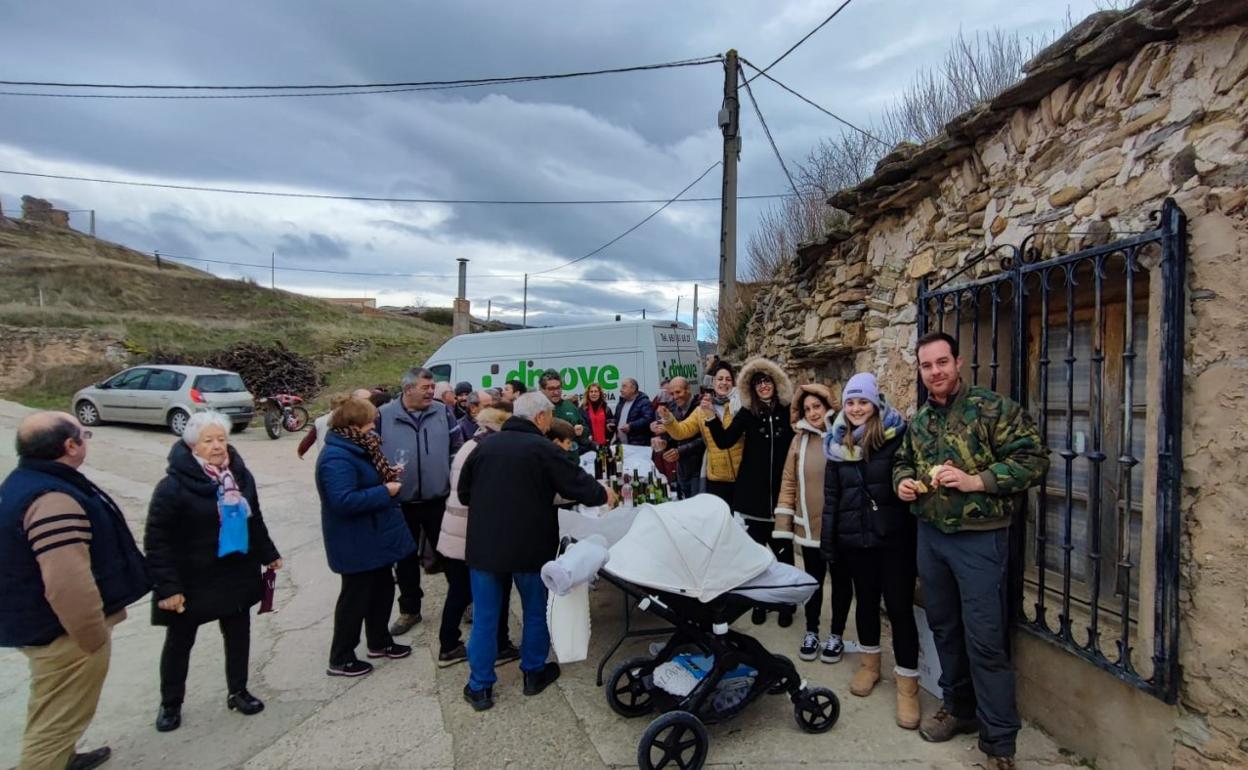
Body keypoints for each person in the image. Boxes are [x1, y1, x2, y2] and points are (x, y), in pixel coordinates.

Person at [894, 332, 1049, 769]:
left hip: (980, 537)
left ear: (958, 362)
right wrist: (902, 483)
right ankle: (959, 710)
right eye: (927, 366)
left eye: (942, 362)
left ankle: (1000, 741)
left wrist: (975, 481)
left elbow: (1034, 460)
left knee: (985, 639)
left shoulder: (993, 409)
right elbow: (903, 461)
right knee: (944, 629)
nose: (935, 372)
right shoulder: (921, 420)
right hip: (932, 536)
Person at [1, 412, 149, 770]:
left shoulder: (25, 482)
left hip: (40, 624)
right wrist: (90, 635)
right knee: (55, 723)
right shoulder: (53, 499)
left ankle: (64, 757)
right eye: (84, 434)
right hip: (64, 633)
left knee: (52, 702)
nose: (85, 440)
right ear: (70, 445)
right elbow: (67, 582)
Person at [457, 393, 616, 711]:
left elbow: (464, 494)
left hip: (485, 546)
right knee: (534, 610)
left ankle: (480, 687)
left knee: (486, 617)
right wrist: (603, 493)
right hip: (529, 545)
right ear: (542, 417)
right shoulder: (542, 448)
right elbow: (575, 483)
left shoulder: (485, 446)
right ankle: (533, 672)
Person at [145, 411, 282, 732]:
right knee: (179, 643)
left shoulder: (240, 476)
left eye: (222, 439)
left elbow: (255, 518)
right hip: (191, 578)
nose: (218, 446)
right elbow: (157, 541)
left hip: (235, 571)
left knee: (238, 635)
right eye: (209, 441)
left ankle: (238, 690)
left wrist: (269, 553)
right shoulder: (172, 487)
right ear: (193, 445)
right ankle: (171, 703)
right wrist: (167, 587)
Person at [816, 373, 920, 729]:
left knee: (900, 610)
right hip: (854, 541)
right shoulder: (835, 443)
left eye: (863, 401)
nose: (857, 408)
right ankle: (869, 666)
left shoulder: (895, 437)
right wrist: (828, 542)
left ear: (875, 404)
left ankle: (907, 686)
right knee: (866, 604)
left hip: (893, 541)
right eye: (851, 402)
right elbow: (832, 498)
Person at [316, 395, 416, 677]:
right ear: (353, 424)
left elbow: (364, 480)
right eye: (369, 421)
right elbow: (342, 501)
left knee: (382, 590)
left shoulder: (360, 447)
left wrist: (386, 476)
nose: (374, 425)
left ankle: (379, 641)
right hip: (355, 541)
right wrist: (385, 491)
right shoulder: (336, 457)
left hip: (374, 536)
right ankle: (341, 657)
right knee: (355, 599)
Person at [704, 357, 796, 625]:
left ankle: (786, 601)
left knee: (783, 550)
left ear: (775, 384)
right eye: (758, 383)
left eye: (767, 381)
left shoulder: (788, 411)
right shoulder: (746, 413)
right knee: (757, 552)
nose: (764, 387)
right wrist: (711, 418)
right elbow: (723, 441)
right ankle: (760, 600)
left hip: (781, 493)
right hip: (752, 494)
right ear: (751, 389)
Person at [378, 367, 464, 637]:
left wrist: (454, 485)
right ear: (408, 390)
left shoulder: (442, 411)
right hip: (401, 503)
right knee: (404, 559)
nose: (431, 391)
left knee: (451, 554)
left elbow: (456, 448)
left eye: (432, 387)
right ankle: (409, 610)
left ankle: (463, 602)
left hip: (439, 498)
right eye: (426, 387)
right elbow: (373, 453)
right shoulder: (384, 416)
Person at [772, 383, 854, 663]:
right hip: (809, 526)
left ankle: (836, 636)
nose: (812, 412)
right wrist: (783, 521)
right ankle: (812, 631)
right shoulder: (799, 440)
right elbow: (789, 479)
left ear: (827, 404)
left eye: (816, 406)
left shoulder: (843, 433)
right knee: (813, 581)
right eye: (807, 408)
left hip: (840, 526)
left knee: (842, 581)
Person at [438, 406, 519, 668]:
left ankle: (451, 643)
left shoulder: (471, 444)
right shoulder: (484, 450)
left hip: (456, 529)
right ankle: (460, 645)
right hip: (468, 532)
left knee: (460, 592)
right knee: (471, 592)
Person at [658, 360, 742, 505]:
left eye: (728, 379)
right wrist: (668, 419)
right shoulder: (701, 410)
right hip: (716, 477)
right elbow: (681, 432)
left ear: (733, 383)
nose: (724, 383)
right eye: (719, 379)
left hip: (742, 475)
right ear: (713, 382)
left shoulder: (741, 405)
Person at [650, 376, 705, 499]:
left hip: (700, 467)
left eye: (678, 392)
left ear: (688, 390)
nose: (675, 397)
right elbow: (672, 437)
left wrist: (680, 451)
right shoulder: (672, 408)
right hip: (681, 468)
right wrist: (663, 443)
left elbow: (705, 439)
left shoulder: (700, 407)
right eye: (672, 393)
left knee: (697, 506)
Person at [299, 388, 372, 460]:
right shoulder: (349, 419)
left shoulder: (319, 421)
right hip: (343, 456)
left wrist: (301, 451)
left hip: (324, 455)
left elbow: (309, 439)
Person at [538, 369, 593, 454]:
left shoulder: (569, 406)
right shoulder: (537, 409)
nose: (556, 392)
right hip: (548, 460)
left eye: (558, 388)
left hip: (571, 461)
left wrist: (582, 431)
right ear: (542, 389)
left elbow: (586, 430)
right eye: (551, 389)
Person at [612, 378, 654, 447]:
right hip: (622, 445)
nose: (620, 390)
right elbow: (616, 418)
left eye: (624, 386)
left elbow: (648, 419)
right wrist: (612, 422)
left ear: (633, 389)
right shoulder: (621, 403)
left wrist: (631, 426)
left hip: (638, 446)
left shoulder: (644, 402)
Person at [580, 382, 615, 447]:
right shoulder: (582, 409)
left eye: (596, 391)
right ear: (588, 394)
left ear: (600, 393)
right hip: (588, 445)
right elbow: (581, 426)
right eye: (591, 391)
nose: (594, 393)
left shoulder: (606, 408)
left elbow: (612, 426)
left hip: (604, 445)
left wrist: (608, 439)